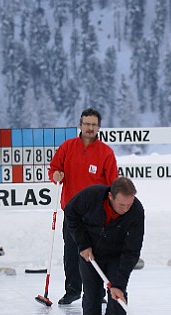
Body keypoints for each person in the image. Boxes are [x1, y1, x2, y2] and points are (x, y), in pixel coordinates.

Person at [64, 177, 144, 315]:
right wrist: (82, 244)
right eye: (122, 205)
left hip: (117, 256)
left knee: (117, 295)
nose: (126, 209)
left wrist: (119, 283)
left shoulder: (136, 211)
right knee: (92, 295)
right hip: (90, 253)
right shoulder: (91, 196)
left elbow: (132, 250)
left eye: (129, 204)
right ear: (110, 197)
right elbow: (70, 213)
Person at [48, 108, 119, 304]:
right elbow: (54, 168)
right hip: (72, 212)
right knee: (71, 252)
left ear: (99, 127)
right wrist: (56, 175)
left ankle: (96, 293)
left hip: (96, 213)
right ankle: (72, 290)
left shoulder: (106, 152)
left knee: (95, 254)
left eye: (94, 124)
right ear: (80, 125)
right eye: (87, 124)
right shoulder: (67, 147)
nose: (90, 128)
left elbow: (113, 184)